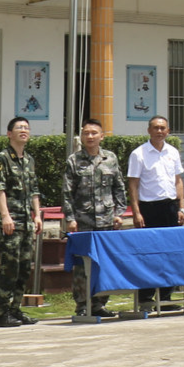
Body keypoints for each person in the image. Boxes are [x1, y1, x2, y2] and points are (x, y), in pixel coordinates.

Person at [63, 117, 128, 318]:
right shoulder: (74, 160)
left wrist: (119, 214)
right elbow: (67, 192)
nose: (89, 136)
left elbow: (119, 188)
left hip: (107, 221)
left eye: (93, 133)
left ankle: (99, 303)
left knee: (103, 264)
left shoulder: (111, 158)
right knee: (82, 266)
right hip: (83, 222)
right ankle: (82, 305)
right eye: (86, 133)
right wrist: (70, 218)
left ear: (102, 136)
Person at [127, 115, 184, 310]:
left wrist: (181, 207)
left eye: (163, 128)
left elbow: (178, 181)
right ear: (148, 131)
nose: (159, 131)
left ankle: (166, 297)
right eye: (155, 128)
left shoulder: (173, 152)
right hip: (149, 209)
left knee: (170, 254)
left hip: (170, 207)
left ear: (168, 131)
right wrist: (136, 212)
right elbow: (133, 184)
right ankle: (145, 297)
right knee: (149, 254)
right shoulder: (139, 154)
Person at [0, 116, 42, 328]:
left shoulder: (29, 160)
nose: (24, 131)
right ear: (9, 134)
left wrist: (37, 214)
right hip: (10, 221)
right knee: (9, 266)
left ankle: (15, 309)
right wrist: (5, 216)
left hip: (26, 221)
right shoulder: (2, 159)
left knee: (24, 267)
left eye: (26, 128)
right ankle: (2, 312)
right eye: (19, 128)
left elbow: (34, 191)